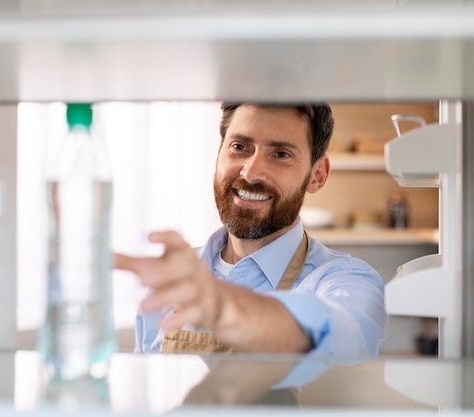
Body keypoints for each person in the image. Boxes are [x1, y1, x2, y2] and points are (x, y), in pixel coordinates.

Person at [115, 102, 386, 358]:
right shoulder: (169, 290)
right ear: (219, 152)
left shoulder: (346, 280)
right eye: (240, 146)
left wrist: (227, 307)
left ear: (317, 175)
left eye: (281, 154)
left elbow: (342, 331)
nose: (251, 173)